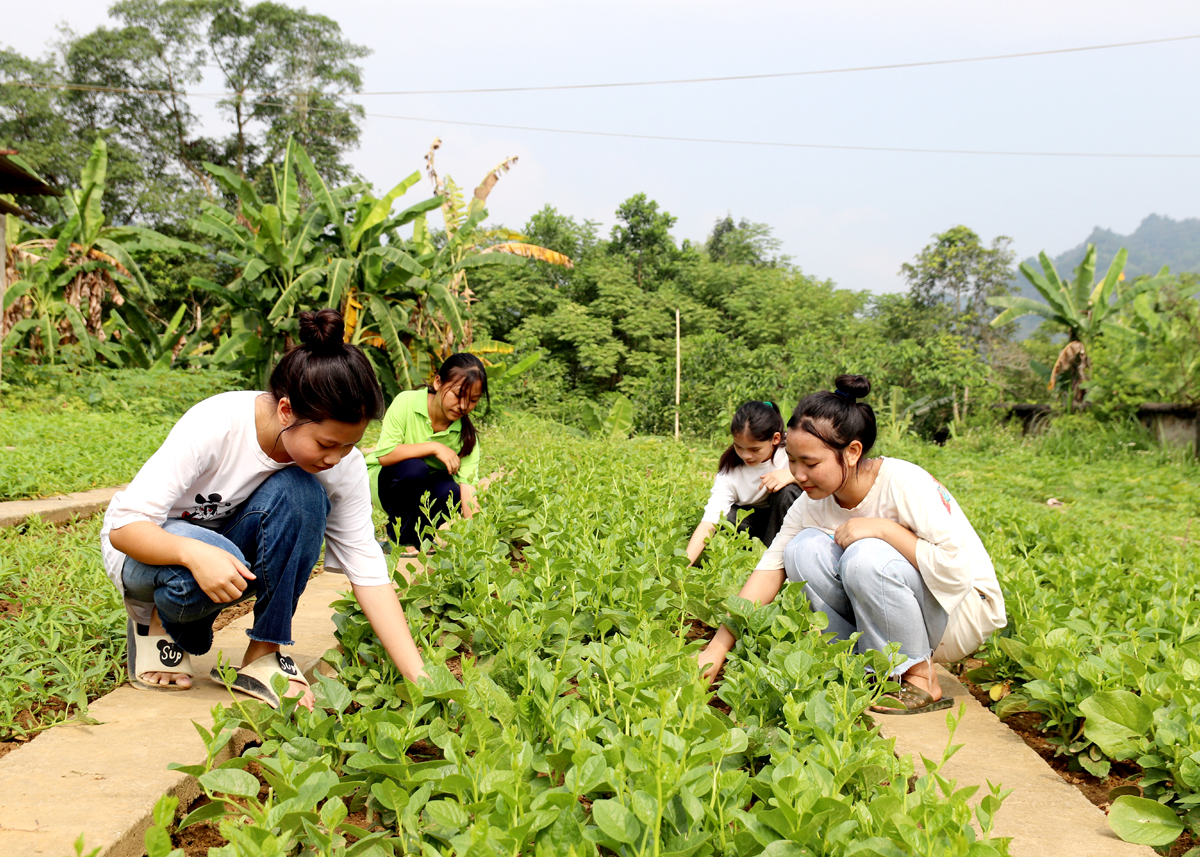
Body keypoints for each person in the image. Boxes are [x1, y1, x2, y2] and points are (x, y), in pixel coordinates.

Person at [101, 309, 428, 710]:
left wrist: (423, 682)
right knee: (208, 560)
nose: (337, 457)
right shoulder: (218, 422)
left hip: (227, 559)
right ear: (286, 410)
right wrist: (195, 553)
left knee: (304, 493)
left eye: (349, 444)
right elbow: (125, 527)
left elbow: (369, 573)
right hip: (147, 551)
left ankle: (264, 652)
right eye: (326, 444)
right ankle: (155, 620)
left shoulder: (343, 465)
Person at [696, 375, 1006, 714]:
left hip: (962, 611)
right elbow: (770, 569)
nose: (798, 475)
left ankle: (919, 678)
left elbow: (955, 569)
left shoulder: (904, 481)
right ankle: (865, 670)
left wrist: (885, 530)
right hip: (903, 613)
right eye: (793, 461)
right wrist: (717, 648)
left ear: (853, 452)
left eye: (811, 463)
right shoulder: (811, 502)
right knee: (801, 549)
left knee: (865, 553)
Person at [365, 353, 486, 555]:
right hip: (387, 486)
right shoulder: (407, 402)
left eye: (472, 400)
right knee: (415, 468)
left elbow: (468, 490)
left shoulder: (467, 437)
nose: (464, 406)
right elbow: (385, 454)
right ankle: (399, 539)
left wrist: (478, 541)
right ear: (438, 382)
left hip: (422, 494)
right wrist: (434, 447)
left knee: (451, 490)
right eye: (458, 395)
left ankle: (422, 538)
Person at [685, 401, 801, 565]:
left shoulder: (794, 447)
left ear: (775, 439)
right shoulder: (731, 470)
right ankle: (755, 560)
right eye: (739, 447)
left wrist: (792, 475)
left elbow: (825, 479)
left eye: (755, 449)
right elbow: (710, 521)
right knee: (728, 517)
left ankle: (779, 561)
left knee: (787, 492)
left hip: (788, 521)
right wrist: (683, 565)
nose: (746, 456)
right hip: (753, 526)